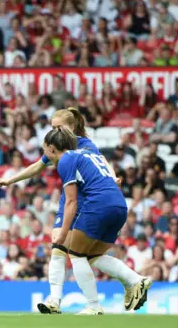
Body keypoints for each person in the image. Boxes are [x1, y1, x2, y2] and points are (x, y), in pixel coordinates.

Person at [0, 108, 121, 314]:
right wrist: (10, 180)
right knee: (58, 249)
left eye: (57, 127)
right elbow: (38, 166)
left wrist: (112, 175)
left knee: (79, 254)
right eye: (51, 127)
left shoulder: (84, 144)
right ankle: (55, 301)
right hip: (69, 201)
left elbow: (102, 161)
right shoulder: (58, 146)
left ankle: (97, 302)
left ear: (71, 127)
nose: (53, 131)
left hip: (83, 203)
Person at [40, 127, 151, 315]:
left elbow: (71, 201)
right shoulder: (89, 153)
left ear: (51, 148)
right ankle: (135, 280)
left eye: (44, 149)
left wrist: (63, 233)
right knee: (91, 256)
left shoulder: (65, 160)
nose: (44, 155)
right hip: (119, 206)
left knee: (76, 254)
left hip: (98, 205)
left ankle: (93, 306)